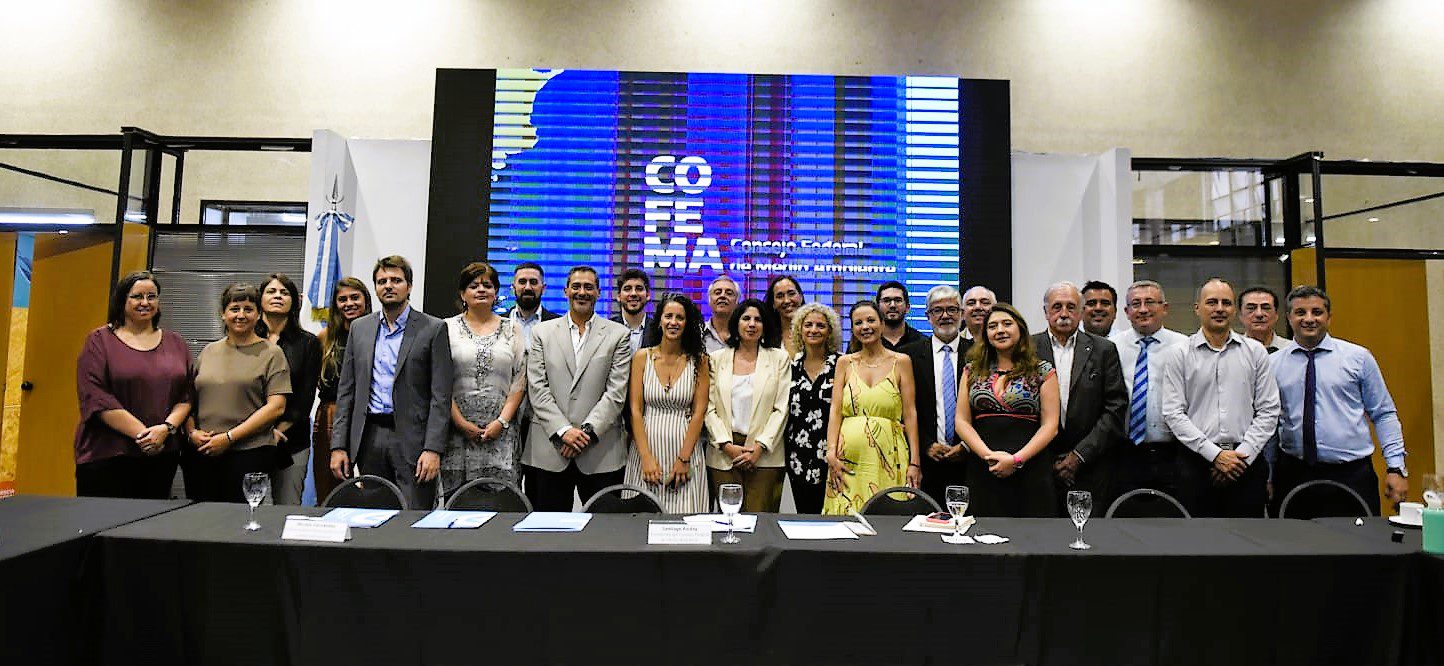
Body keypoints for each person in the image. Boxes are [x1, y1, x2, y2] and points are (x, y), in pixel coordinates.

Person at [1269, 285, 1407, 516]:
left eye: (1317, 312)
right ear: (1289, 318)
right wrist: (1269, 475)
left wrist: (1396, 468)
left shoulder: (1358, 358)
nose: (1309, 319)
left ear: (1329, 317)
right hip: (1293, 472)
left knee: (1358, 538)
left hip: (1351, 474)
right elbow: (1270, 423)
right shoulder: (1273, 364)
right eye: (1301, 312)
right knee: (1292, 538)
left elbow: (1384, 414)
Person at [330, 256, 453, 510]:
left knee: (413, 514)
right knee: (374, 513)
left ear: (409, 286)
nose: (388, 286)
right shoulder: (360, 328)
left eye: (396, 280)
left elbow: (441, 396)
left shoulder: (433, 328)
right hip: (369, 436)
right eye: (382, 281)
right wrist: (339, 446)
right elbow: (346, 392)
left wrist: (433, 449)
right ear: (375, 288)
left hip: (413, 439)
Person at [1158, 278, 1279, 518]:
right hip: (1195, 463)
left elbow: (1269, 410)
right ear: (1197, 308)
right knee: (1198, 537)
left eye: (1226, 303)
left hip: (1246, 462)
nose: (1220, 309)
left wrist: (1241, 457)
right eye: (1212, 302)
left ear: (1234, 310)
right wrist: (1215, 455)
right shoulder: (1179, 354)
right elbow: (1173, 413)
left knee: (1249, 537)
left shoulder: (1255, 352)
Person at [73, 271, 193, 499]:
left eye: (151, 296)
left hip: (161, 456)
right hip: (107, 456)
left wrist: (165, 429)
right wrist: (144, 436)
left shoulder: (176, 343)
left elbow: (186, 395)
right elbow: (96, 396)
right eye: (137, 296)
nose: (145, 302)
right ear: (122, 301)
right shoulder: (99, 341)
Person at [522, 266, 632, 510]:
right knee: (547, 529)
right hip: (549, 450)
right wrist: (563, 431)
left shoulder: (618, 335)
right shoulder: (542, 333)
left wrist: (585, 434)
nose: (582, 292)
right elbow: (537, 388)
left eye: (588, 287)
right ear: (566, 291)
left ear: (598, 293)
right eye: (576, 287)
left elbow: (616, 393)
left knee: (604, 529)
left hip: (600, 452)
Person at [184, 284, 291, 503]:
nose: (241, 315)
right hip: (202, 452)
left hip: (250, 454)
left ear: (258, 314)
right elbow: (189, 400)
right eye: (234, 309)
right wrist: (192, 432)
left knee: (239, 518)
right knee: (200, 518)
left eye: (248, 309)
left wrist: (229, 438)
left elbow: (276, 407)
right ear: (223, 314)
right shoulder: (208, 351)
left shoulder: (272, 354)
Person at [954, 303, 1060, 517]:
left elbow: (1050, 426)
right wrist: (989, 457)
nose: (1000, 330)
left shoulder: (1043, 371)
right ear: (986, 334)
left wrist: (1016, 460)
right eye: (992, 326)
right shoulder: (972, 371)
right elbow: (961, 422)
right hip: (984, 468)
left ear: (1020, 328)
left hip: (1030, 469)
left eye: (1007, 324)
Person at [1032, 282, 1128, 513]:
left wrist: (1078, 456)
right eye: (1057, 307)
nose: (1064, 313)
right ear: (1045, 312)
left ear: (1081, 311)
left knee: (1088, 532)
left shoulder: (1103, 350)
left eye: (1071, 307)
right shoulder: (1027, 348)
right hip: (1038, 466)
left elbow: (1115, 408)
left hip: (1090, 467)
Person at [823, 300, 921, 515]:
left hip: (889, 457)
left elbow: (910, 414)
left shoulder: (901, 361)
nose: (865, 326)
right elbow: (835, 411)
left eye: (870, 320)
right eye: (858, 323)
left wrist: (915, 462)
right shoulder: (844, 363)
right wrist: (830, 453)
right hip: (846, 460)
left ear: (882, 324)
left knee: (887, 517)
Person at [623, 293, 711, 513]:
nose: (674, 322)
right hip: (646, 449)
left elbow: (699, 413)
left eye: (680, 318)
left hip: (686, 451)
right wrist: (646, 458)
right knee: (641, 519)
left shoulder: (699, 360)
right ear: (659, 321)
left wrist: (683, 459)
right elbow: (635, 410)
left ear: (687, 323)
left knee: (686, 522)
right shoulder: (642, 357)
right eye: (668, 316)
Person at [444, 262, 527, 493]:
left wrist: (501, 422)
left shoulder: (512, 329)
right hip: (457, 433)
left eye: (487, 285)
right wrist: (460, 423)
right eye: (473, 286)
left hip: (500, 433)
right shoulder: (446, 328)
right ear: (462, 294)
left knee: (500, 505)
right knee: (458, 504)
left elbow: (520, 381)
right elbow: (439, 382)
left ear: (496, 292)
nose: (481, 290)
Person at [705, 298, 791, 512]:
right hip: (724, 453)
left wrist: (759, 447)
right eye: (746, 319)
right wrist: (726, 445)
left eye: (758, 320)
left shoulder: (779, 359)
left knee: (760, 520)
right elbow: (708, 407)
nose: (752, 324)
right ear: (736, 323)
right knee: (728, 519)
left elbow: (781, 408)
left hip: (765, 455)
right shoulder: (716, 359)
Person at [1109, 280, 1190, 500]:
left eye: (1150, 302)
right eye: (1136, 304)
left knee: (1173, 515)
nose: (1143, 309)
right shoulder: (1111, 347)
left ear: (1165, 308)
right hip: (1124, 453)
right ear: (1126, 311)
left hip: (1173, 453)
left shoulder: (1184, 346)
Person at [901, 285, 970, 507]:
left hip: (970, 463)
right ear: (928, 316)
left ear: (962, 314)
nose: (945, 316)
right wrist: (926, 444)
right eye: (937, 310)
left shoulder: (979, 354)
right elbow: (903, 410)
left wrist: (966, 445)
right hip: (925, 463)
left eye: (952, 309)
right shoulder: (908, 356)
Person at [259, 273, 321, 505]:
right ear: (260, 298)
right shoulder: (245, 338)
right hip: (248, 441)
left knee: (286, 509)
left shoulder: (308, 343)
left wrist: (276, 432)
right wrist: (259, 434)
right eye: (271, 291)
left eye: (284, 293)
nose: (278, 296)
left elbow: (304, 400)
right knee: (248, 509)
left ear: (295, 301)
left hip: (291, 441)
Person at [313, 277, 372, 504]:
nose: (349, 304)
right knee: (330, 487)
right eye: (342, 299)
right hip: (331, 415)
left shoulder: (378, 334)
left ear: (366, 300)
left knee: (371, 485)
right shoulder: (325, 338)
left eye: (355, 297)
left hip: (368, 416)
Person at [784, 302, 843, 514]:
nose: (814, 330)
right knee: (804, 515)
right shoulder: (790, 366)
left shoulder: (842, 364)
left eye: (820, 325)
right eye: (808, 325)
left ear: (830, 331)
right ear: (799, 329)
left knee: (831, 516)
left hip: (832, 454)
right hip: (797, 457)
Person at [848, 280, 926, 352]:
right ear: (877, 307)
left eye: (898, 300)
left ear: (907, 307)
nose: (892, 305)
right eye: (886, 300)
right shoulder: (862, 342)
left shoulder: (922, 342)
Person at [508, 261, 560, 348]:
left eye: (533, 282)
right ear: (513, 288)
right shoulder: (498, 324)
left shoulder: (558, 325)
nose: (528, 287)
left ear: (543, 288)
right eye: (522, 282)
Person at [610, 268, 657, 355]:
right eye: (627, 289)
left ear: (648, 295)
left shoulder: (658, 331)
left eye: (639, 289)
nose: (633, 294)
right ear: (619, 296)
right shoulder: (607, 330)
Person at [764, 275, 805, 356]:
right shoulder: (766, 337)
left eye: (791, 294)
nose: (786, 301)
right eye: (780, 296)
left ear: (801, 297)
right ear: (773, 303)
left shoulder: (813, 332)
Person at [1240, 286, 1287, 353]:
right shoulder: (1231, 352)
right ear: (1240, 315)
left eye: (1266, 308)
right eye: (1251, 308)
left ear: (1276, 315)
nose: (1259, 314)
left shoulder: (1291, 350)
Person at [702, 275, 739, 353]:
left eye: (729, 293)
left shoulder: (745, 335)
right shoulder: (697, 334)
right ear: (709, 300)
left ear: (737, 302)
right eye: (717, 293)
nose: (722, 296)